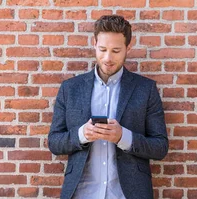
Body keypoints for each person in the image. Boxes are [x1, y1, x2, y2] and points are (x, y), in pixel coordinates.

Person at [47, 15, 169, 199]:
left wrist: (123, 137)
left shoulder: (145, 89)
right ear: (94, 43)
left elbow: (160, 147)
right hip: (81, 193)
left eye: (116, 50)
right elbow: (54, 142)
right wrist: (82, 134)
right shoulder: (70, 88)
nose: (108, 58)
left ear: (128, 47)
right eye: (103, 49)